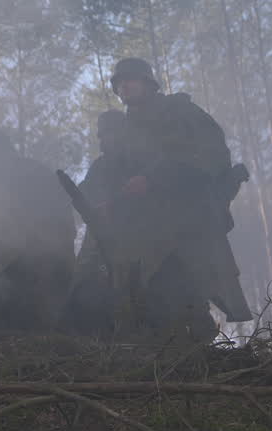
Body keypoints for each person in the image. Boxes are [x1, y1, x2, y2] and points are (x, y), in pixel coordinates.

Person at [107, 57, 253, 343]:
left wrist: (154, 179)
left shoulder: (179, 111)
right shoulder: (125, 132)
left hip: (188, 227)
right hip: (145, 235)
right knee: (150, 305)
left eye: (131, 79)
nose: (124, 86)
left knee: (186, 297)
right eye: (119, 82)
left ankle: (196, 366)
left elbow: (212, 156)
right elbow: (122, 179)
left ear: (148, 83)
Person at [0, 131, 77, 333]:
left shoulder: (35, 172)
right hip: (15, 247)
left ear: (2, 151)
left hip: (45, 251)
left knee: (40, 311)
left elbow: (59, 216)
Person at [61, 110, 129, 337]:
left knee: (123, 296)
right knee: (81, 292)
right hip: (95, 242)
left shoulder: (138, 161)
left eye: (108, 133)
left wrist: (115, 206)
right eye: (101, 135)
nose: (103, 140)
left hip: (127, 242)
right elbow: (86, 193)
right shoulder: (100, 166)